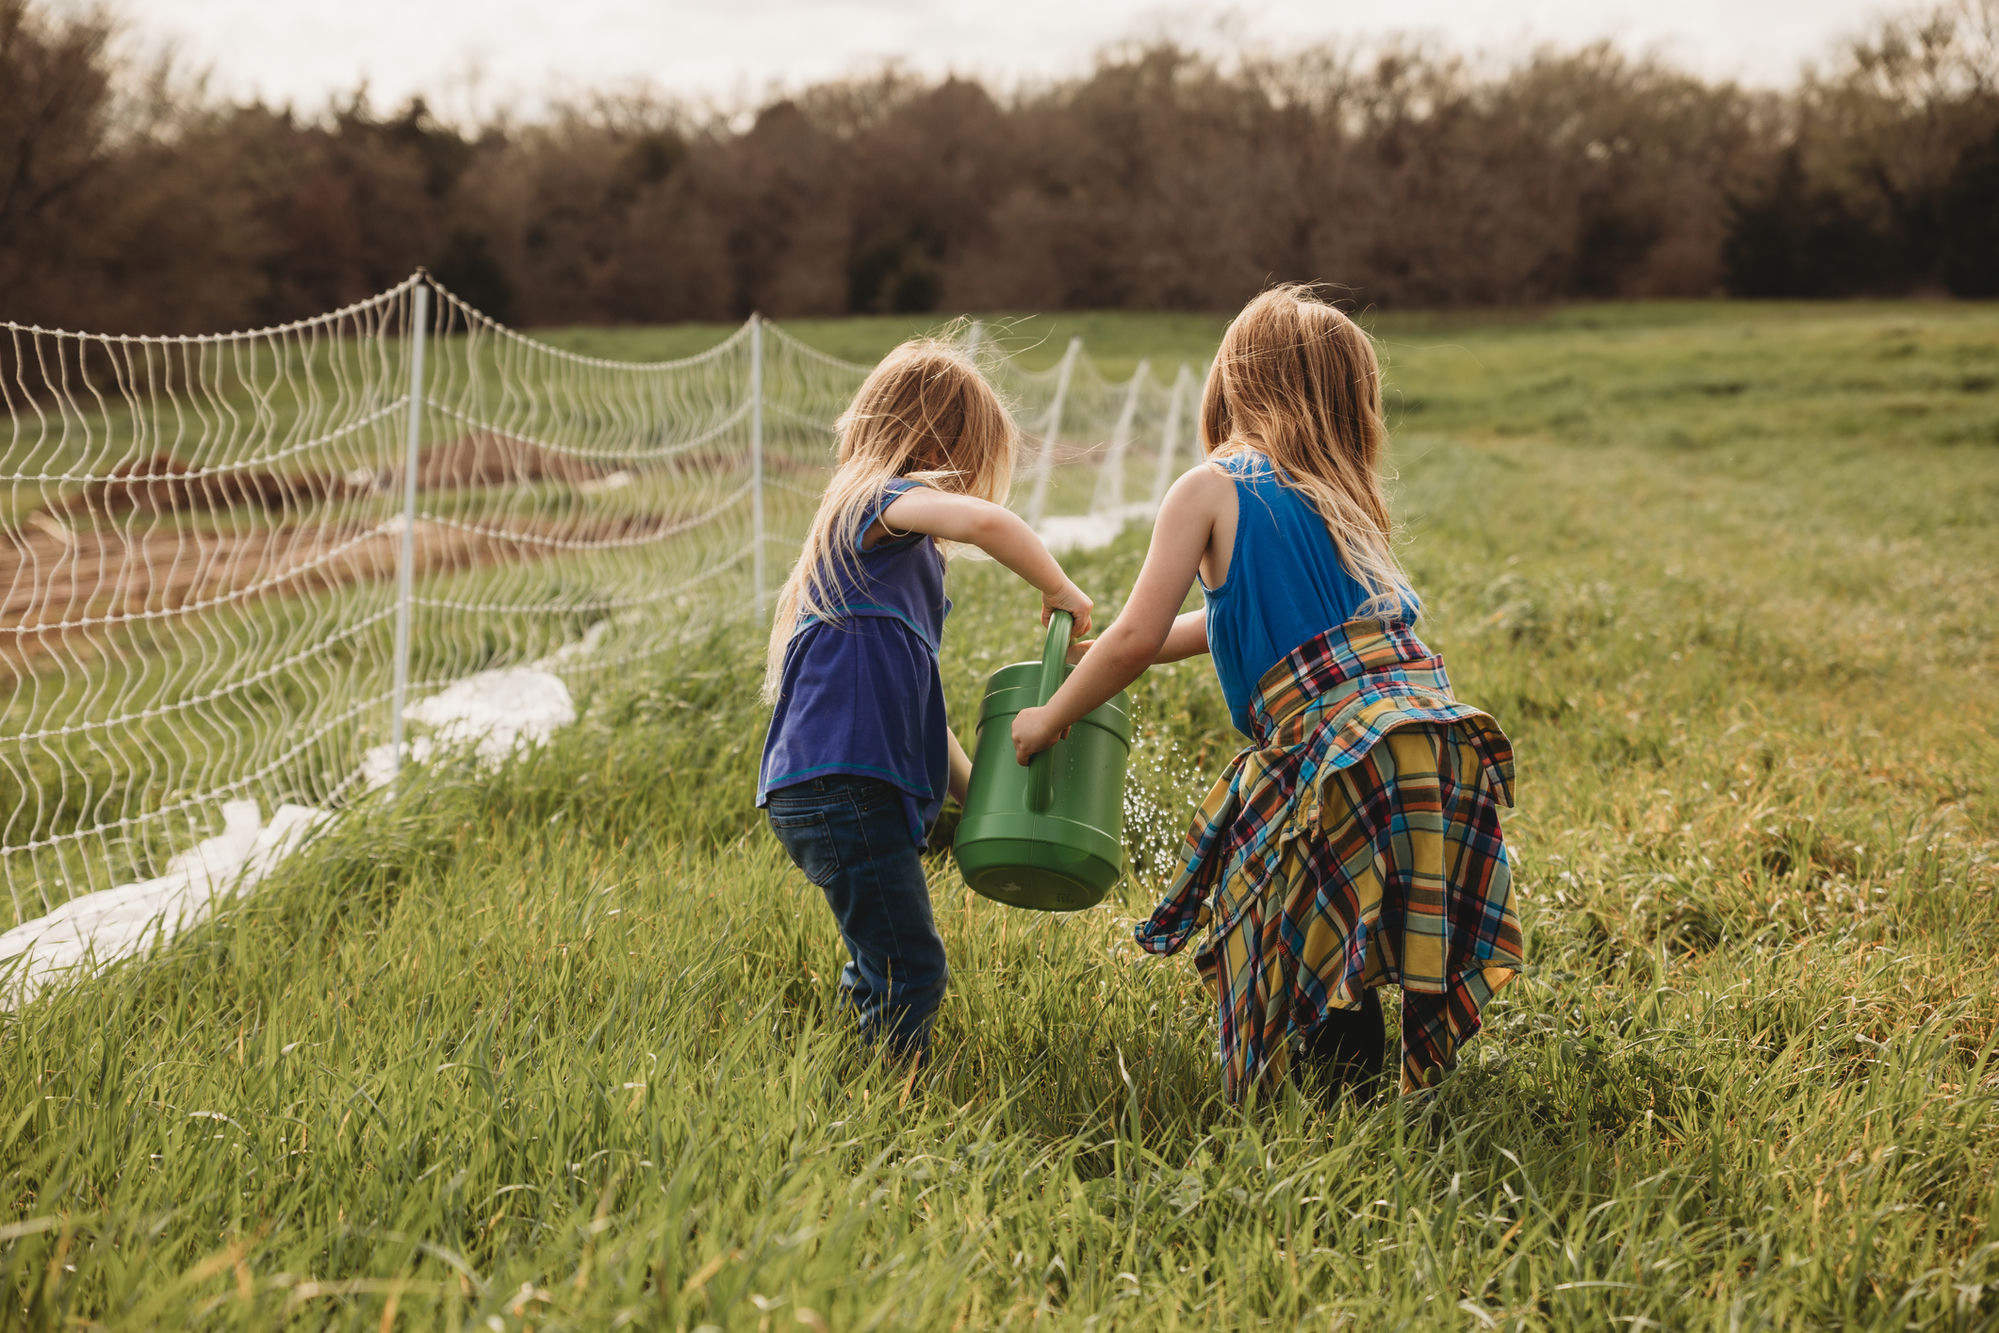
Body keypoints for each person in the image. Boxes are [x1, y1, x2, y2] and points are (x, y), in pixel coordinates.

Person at [1011, 286, 1523, 1103]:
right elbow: (1228, 621)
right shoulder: (1341, 494)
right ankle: (1369, 1094)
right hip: (1422, 734)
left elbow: (1137, 636)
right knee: (1352, 918)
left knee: (1284, 917)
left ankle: (1334, 1111)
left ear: (1232, 380)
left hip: (1335, 747)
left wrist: (1051, 713)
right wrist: (1096, 650)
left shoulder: (1209, 486)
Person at [760, 338, 1092, 1064]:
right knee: (912, 967)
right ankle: (888, 1100)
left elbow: (924, 717)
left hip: (833, 787)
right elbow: (988, 523)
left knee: (878, 958)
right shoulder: (872, 505)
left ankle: (855, 1068)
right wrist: (1057, 589)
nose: (972, 491)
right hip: (842, 787)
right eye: (972, 465)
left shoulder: (899, 558)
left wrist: (982, 803)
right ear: (941, 446)